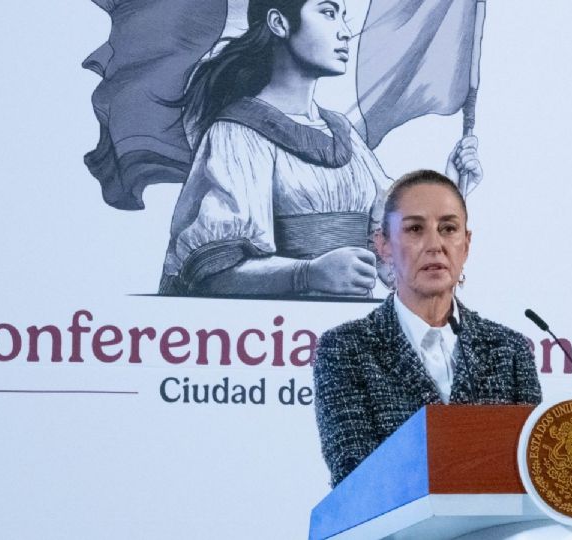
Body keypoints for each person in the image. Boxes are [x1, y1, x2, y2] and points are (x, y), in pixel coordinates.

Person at [159, 0, 482, 297]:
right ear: (279, 23)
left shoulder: (344, 135)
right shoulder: (238, 134)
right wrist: (308, 274)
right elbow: (211, 274)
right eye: (328, 13)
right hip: (271, 338)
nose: (344, 31)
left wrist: (450, 190)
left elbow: (393, 265)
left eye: (343, 16)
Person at [313, 169, 542, 487]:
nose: (435, 245)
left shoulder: (510, 350)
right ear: (384, 245)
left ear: (466, 244)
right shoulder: (345, 349)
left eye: (448, 228)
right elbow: (355, 476)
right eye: (415, 229)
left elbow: (532, 473)